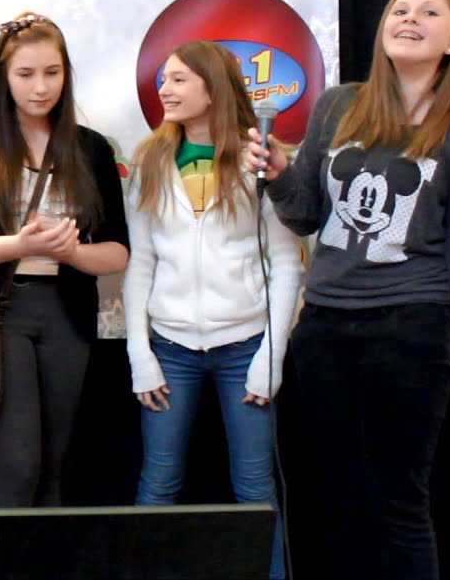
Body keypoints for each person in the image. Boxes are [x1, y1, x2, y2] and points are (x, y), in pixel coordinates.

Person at [247, 0, 450, 580]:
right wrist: (278, 171)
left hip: (413, 329)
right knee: (337, 502)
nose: (410, 19)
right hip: (325, 328)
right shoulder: (337, 105)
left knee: (398, 505)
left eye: (430, 13)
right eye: (400, 9)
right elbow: (305, 212)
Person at [0, 12, 129, 507]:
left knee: (56, 472)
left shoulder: (90, 149)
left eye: (52, 73)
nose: (41, 88)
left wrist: (72, 251)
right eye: (26, 74)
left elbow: (117, 252)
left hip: (66, 315)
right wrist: (19, 246)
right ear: (3, 77)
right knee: (17, 468)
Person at [124, 40, 303, 579]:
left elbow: (286, 262)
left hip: (245, 347)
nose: (165, 89)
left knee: (254, 489)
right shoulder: (150, 159)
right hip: (171, 350)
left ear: (212, 87)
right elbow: (141, 264)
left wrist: (269, 358)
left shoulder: (259, 156)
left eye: (179, 79)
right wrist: (141, 355)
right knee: (157, 486)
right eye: (163, 79)